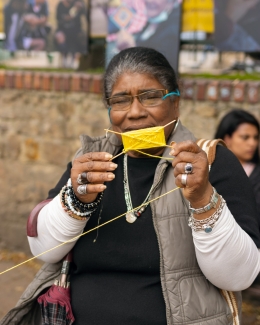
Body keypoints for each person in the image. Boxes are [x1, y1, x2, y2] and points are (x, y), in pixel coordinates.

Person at [4, 47, 260, 325]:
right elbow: (44, 250)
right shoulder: (92, 163)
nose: (135, 113)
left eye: (151, 97)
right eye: (121, 100)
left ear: (176, 103)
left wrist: (202, 199)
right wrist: (77, 200)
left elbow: (239, 276)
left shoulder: (211, 164)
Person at [215, 109, 260, 220]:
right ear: (227, 139)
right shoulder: (212, 170)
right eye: (245, 137)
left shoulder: (257, 174)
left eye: (255, 137)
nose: (252, 143)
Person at [54, 0, 87, 68]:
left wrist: (82, 7)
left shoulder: (79, 3)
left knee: (82, 37)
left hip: (76, 30)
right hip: (63, 30)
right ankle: (64, 59)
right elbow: (61, 19)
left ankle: (75, 59)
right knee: (59, 36)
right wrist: (73, 11)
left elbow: (86, 16)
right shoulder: (60, 5)